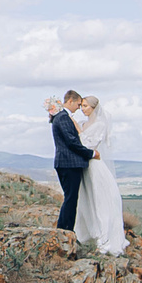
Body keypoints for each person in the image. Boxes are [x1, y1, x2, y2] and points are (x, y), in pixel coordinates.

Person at [72, 96, 127, 256]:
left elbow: (89, 145)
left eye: (85, 106)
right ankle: (87, 233)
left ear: (94, 107)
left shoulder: (100, 124)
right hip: (84, 167)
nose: (83, 109)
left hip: (94, 166)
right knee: (86, 199)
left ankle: (104, 236)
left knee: (100, 200)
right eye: (81, 106)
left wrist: (79, 131)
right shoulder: (83, 123)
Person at [45, 92, 96, 234]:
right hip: (69, 164)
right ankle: (65, 230)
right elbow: (72, 142)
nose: (79, 108)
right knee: (71, 198)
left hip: (68, 163)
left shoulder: (61, 117)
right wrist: (90, 153)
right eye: (79, 104)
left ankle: (66, 230)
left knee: (71, 197)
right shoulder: (63, 118)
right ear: (71, 101)